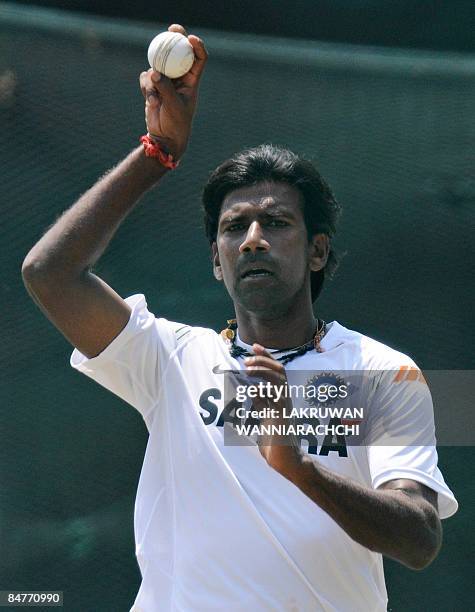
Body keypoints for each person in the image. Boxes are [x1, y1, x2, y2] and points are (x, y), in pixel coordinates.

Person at [22, 23, 457, 612]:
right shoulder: (170, 359)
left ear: (318, 251)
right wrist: (157, 155)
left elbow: (420, 537)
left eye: (276, 223)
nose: (252, 240)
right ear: (217, 263)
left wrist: (298, 467)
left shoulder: (382, 371)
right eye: (234, 228)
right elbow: (50, 273)